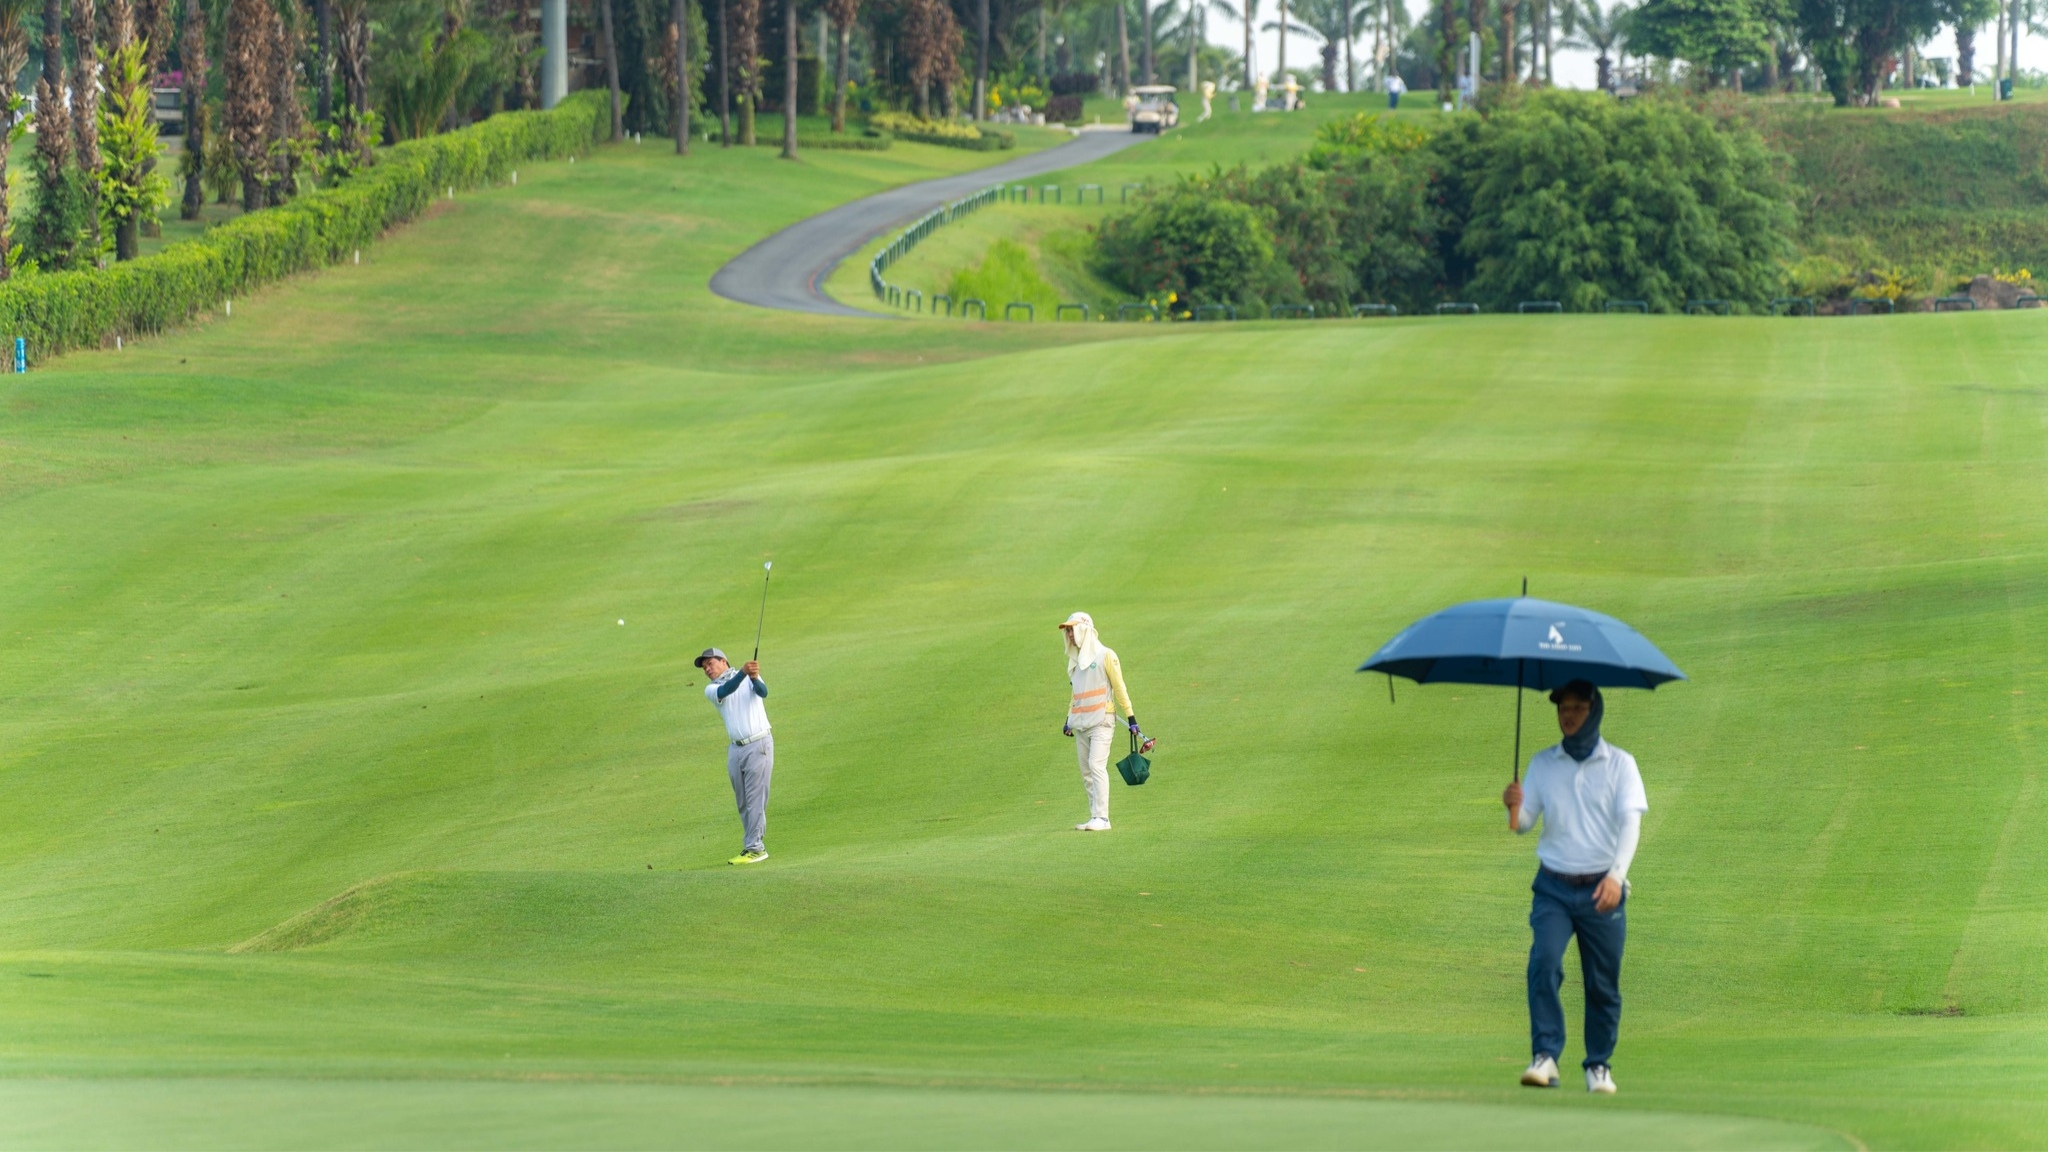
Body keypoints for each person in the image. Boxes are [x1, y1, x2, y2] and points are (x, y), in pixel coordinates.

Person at [1501, 679, 1646, 1096]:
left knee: (1603, 982)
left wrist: (1617, 877)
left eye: (1578, 708)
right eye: (1564, 707)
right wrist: (1513, 804)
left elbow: (1630, 825)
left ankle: (1598, 1065)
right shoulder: (1543, 763)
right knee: (1544, 962)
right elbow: (1522, 825)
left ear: (1594, 711)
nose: (1569, 715)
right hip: (1554, 886)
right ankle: (1544, 1057)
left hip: (1603, 887)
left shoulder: (1621, 764)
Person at [1057, 612, 1139, 832]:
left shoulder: (1106, 655)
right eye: (1068, 631)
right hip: (1081, 723)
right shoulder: (1075, 662)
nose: (1069, 634)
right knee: (1086, 771)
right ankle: (1095, 815)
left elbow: (1120, 688)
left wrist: (1131, 717)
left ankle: (1103, 818)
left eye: (1072, 629)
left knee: (1096, 765)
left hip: (1102, 721)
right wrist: (1068, 719)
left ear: (1084, 629)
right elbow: (1077, 693)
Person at [696, 647, 774, 865]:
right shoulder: (712, 689)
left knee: (755, 799)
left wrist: (754, 676)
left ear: (723, 661)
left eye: (710, 664)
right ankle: (752, 845)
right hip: (735, 749)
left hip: (758, 743)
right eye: (704, 667)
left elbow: (763, 692)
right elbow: (726, 691)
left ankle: (756, 848)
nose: (707, 669)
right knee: (742, 801)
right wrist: (743, 672)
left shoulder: (749, 677)